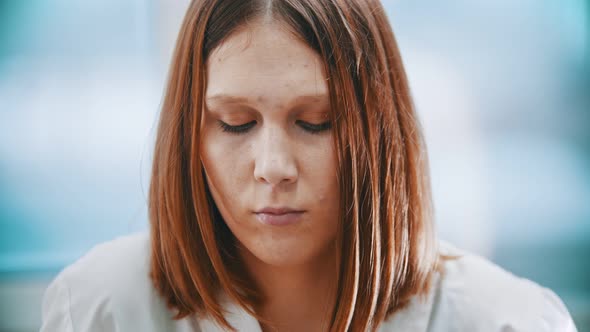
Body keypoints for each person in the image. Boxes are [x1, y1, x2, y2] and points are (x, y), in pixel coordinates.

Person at [40, 0, 578, 331]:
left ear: (378, 135)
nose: (273, 167)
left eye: (316, 122)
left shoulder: (509, 323)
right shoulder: (99, 308)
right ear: (189, 138)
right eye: (235, 123)